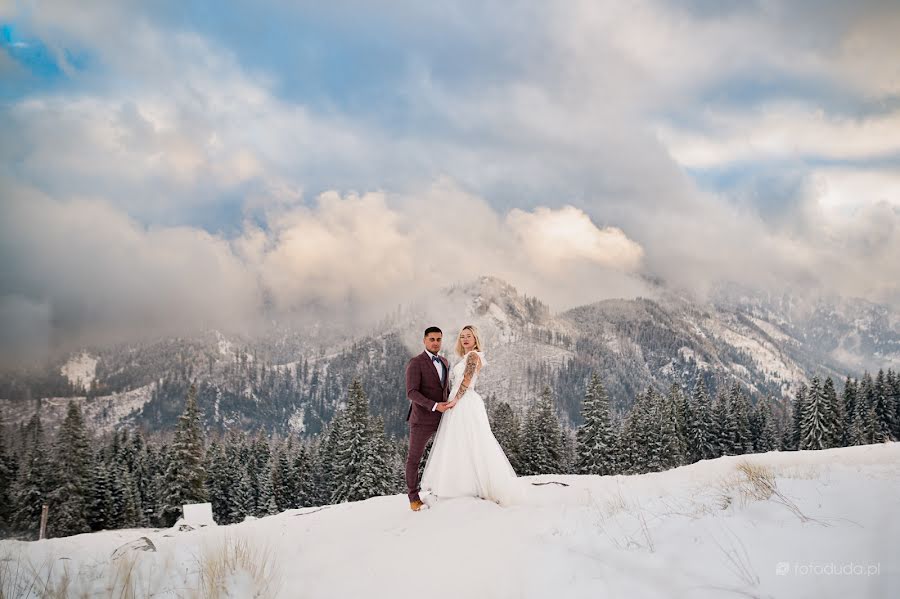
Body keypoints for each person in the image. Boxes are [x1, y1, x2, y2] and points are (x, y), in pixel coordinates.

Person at [419, 324, 526, 507]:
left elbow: (467, 381)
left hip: (465, 401)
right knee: (459, 442)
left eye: (469, 336)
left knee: (472, 441)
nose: (465, 339)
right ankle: (460, 485)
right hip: (458, 401)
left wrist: (455, 400)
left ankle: (476, 487)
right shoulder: (466, 356)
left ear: (475, 338)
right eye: (462, 336)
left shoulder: (474, 356)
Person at [404, 326, 452, 511]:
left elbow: (445, 389)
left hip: (443, 419)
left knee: (445, 455)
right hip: (422, 420)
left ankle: (443, 490)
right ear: (424, 340)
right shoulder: (416, 363)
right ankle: (413, 498)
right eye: (431, 339)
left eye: (439, 339)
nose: (435, 343)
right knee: (414, 459)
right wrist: (433, 405)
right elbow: (411, 392)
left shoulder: (445, 362)